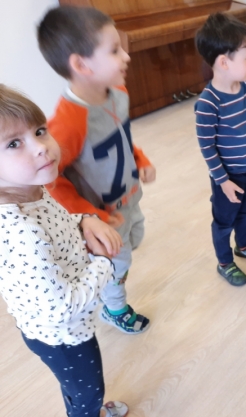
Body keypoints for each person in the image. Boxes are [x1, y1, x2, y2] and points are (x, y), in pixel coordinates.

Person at [0, 85, 129, 417]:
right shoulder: (22, 232)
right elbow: (61, 308)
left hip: (60, 325)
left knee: (74, 386)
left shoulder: (30, 191)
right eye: (13, 143)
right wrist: (103, 262)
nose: (41, 147)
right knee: (89, 392)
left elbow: (55, 224)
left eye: (39, 131)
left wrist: (83, 220)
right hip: (63, 334)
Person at [37, 6, 154, 334]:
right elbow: (51, 182)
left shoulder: (119, 92)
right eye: (114, 50)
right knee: (117, 265)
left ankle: (107, 282)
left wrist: (140, 159)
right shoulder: (66, 125)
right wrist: (89, 216)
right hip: (104, 217)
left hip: (128, 198)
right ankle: (115, 308)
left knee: (134, 240)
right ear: (81, 65)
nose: (126, 56)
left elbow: (121, 137)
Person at [195, 13, 246, 286]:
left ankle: (243, 245)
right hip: (228, 178)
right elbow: (207, 148)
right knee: (224, 220)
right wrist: (223, 181)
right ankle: (225, 262)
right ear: (224, 62)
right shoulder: (208, 104)